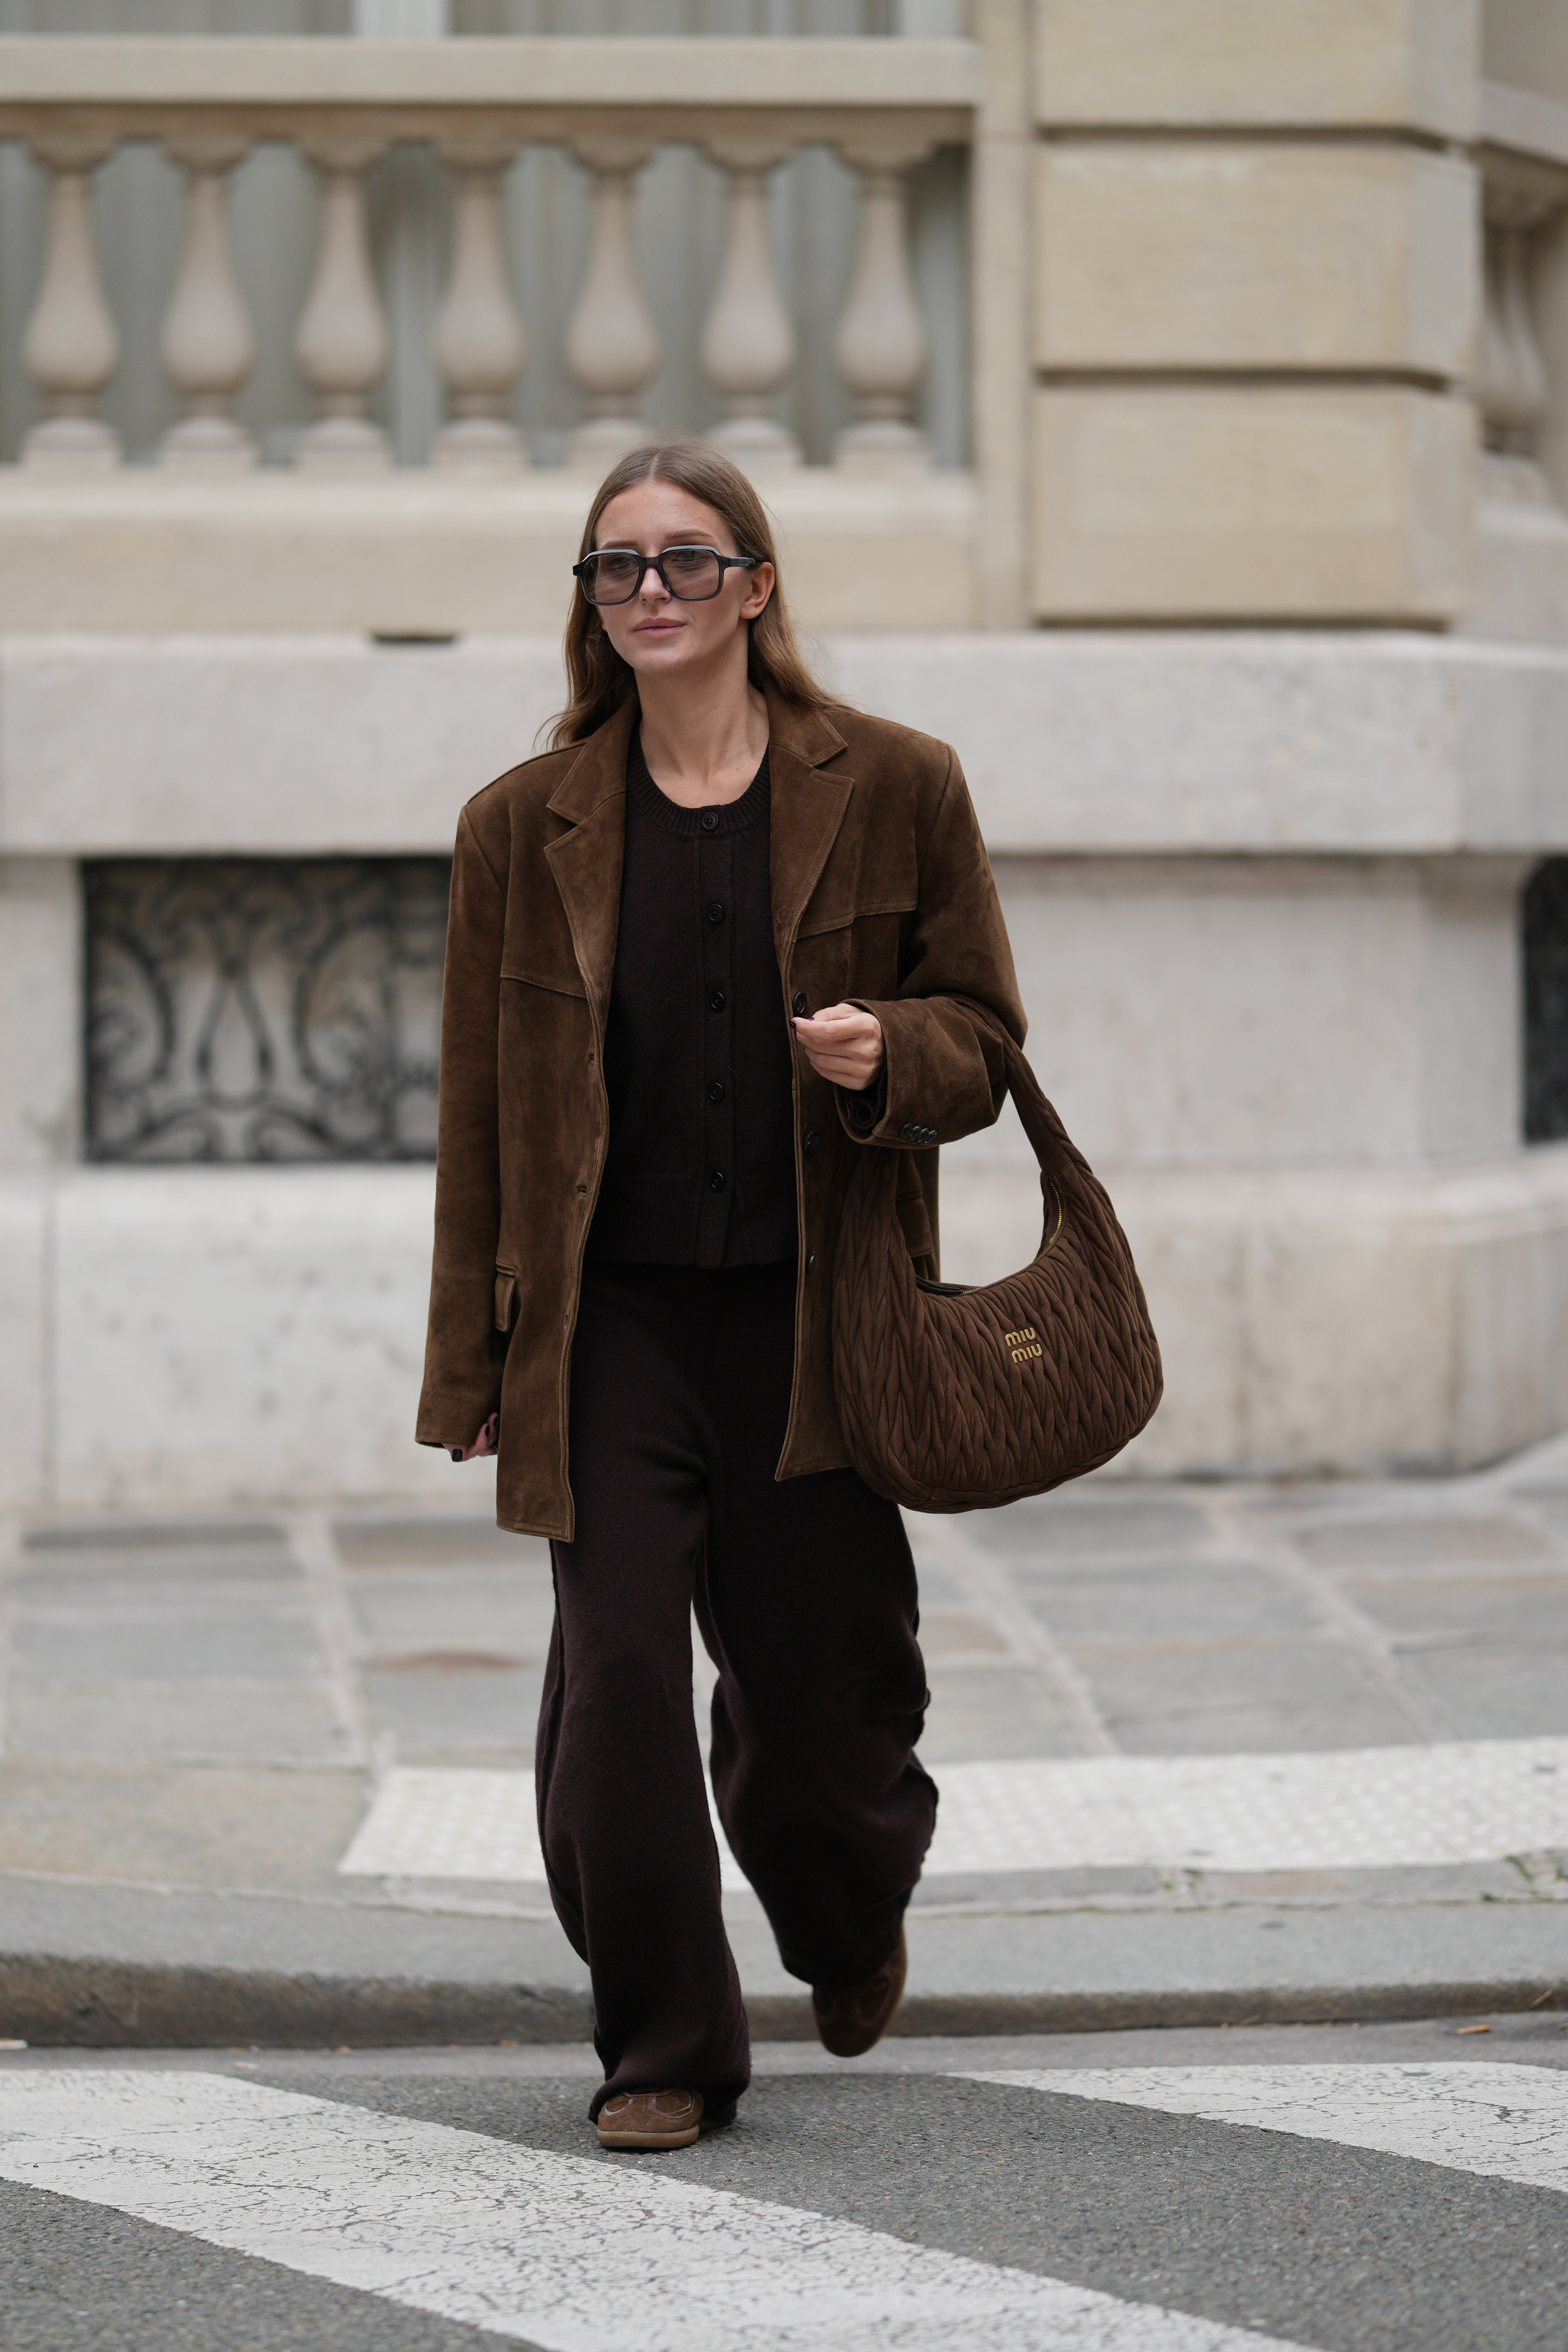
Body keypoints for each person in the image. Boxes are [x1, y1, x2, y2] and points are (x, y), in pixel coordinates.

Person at [417, 440, 1024, 2150]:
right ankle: (664, 2041)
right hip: (605, 1326)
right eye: (616, 568)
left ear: (756, 584)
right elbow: (478, 1114)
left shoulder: (899, 784)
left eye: (686, 561)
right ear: (591, 605)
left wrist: (883, 1051)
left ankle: (844, 1912)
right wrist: (467, 1354)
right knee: (611, 1685)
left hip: (816, 1322)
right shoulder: (518, 827)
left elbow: (983, 1037)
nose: (651, 594)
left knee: (828, 1701)